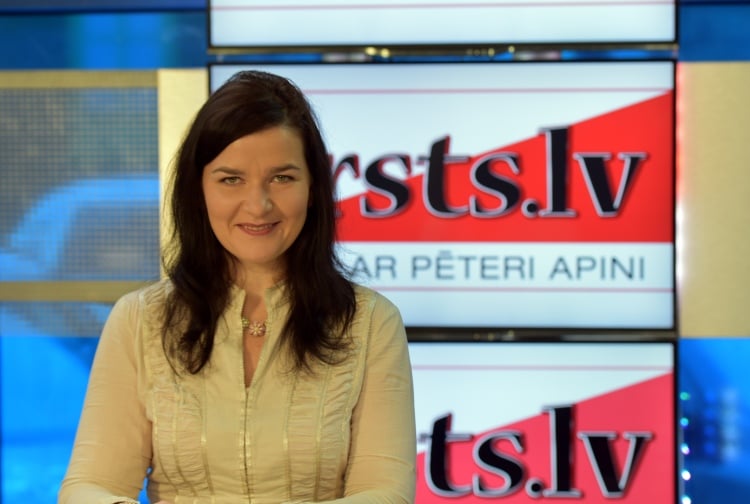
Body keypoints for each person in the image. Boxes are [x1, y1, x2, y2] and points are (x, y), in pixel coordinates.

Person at [59, 70, 416, 504]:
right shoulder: (139, 318)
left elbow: (386, 492)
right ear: (199, 190)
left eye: (282, 178)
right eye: (231, 179)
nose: (258, 205)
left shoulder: (370, 322)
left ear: (313, 188)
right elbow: (89, 487)